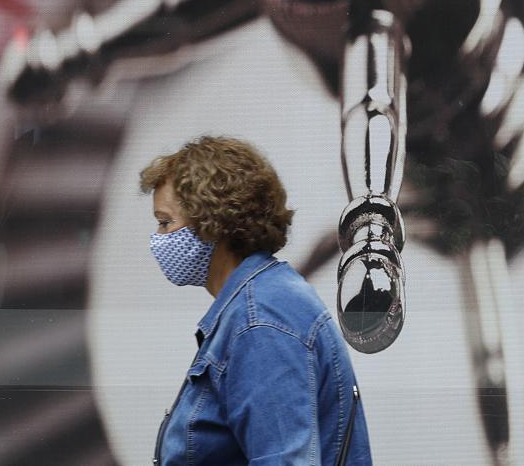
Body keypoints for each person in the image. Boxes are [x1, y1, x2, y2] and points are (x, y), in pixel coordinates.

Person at [142, 135, 371, 465]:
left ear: (212, 222)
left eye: (165, 223)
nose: (157, 240)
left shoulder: (260, 320)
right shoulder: (260, 305)